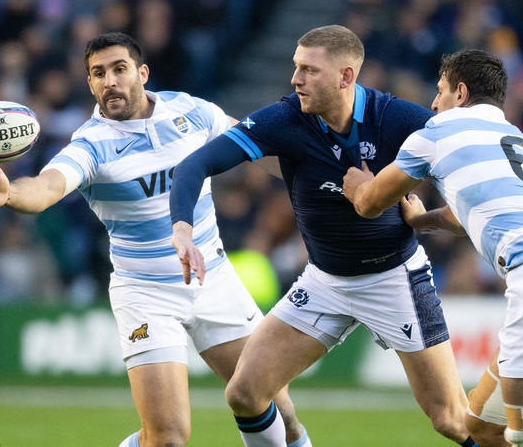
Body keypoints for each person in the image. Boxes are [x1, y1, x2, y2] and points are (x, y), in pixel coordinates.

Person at [0, 32, 310, 447]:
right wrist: (11, 194)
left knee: (275, 406)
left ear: (141, 73)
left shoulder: (191, 111)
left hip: (214, 278)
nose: (109, 80)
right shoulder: (91, 145)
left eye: (118, 69)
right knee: (167, 438)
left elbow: (259, 151)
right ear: (90, 84)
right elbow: (47, 187)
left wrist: (321, 181)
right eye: (98, 73)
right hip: (146, 293)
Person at [170, 25, 478, 446]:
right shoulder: (285, 119)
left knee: (451, 420)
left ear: (346, 77)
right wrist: (182, 229)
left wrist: (427, 220)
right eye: (295, 67)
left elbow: (472, 175)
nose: (295, 79)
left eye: (309, 70)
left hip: (394, 279)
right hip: (325, 282)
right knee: (244, 393)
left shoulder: (398, 119)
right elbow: (194, 166)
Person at [342, 49, 523, 447]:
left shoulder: (437, 132)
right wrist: (420, 220)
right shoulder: (512, 138)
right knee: (482, 428)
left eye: (439, 91)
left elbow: (371, 204)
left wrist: (358, 188)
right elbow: (466, 216)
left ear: (460, 93)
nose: (433, 103)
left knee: (518, 432)